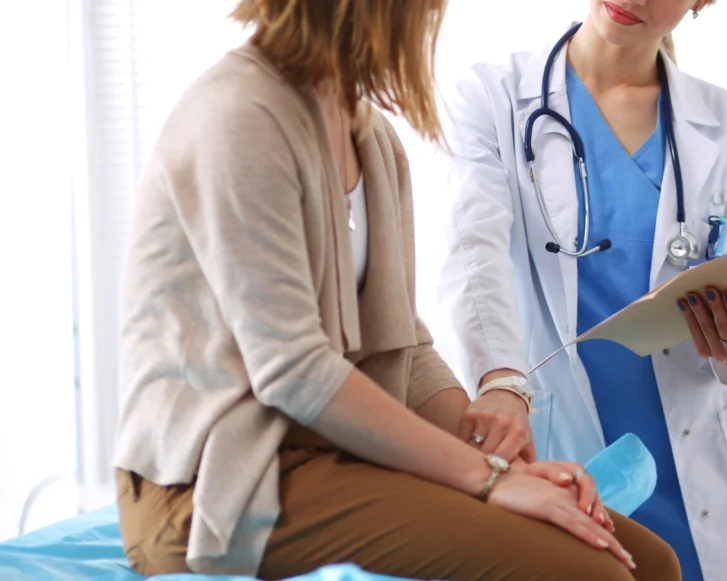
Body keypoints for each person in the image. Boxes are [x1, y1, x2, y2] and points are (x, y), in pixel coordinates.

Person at [111, 1, 682, 580]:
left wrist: (495, 455)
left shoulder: (371, 136)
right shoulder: (240, 116)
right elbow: (294, 369)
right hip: (219, 484)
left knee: (652, 562)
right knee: (594, 574)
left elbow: (403, 343)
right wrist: (487, 479)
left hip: (329, 458)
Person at [438, 1, 727, 579]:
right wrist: (500, 379)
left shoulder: (726, 122)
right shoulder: (492, 96)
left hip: (699, 470)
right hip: (566, 450)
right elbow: (471, 253)